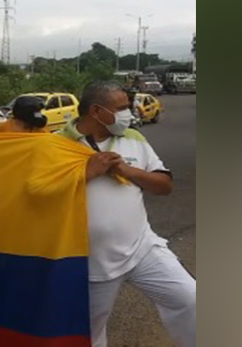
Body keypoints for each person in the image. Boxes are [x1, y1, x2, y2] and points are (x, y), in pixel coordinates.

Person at [58, 81, 196, 347]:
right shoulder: (57, 145)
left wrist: (129, 171)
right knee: (89, 332)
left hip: (141, 247)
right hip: (91, 261)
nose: (129, 114)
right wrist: (85, 174)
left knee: (190, 299)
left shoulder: (134, 139)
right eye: (121, 108)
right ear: (96, 111)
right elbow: (36, 194)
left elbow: (164, 186)